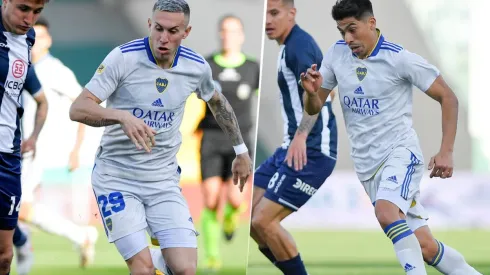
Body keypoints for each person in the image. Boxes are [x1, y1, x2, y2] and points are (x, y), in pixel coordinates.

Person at [69, 0, 252, 274]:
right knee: (141, 269)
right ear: (149, 25)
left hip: (162, 180)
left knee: (185, 269)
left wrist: (241, 151)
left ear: (186, 32)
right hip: (117, 178)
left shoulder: (196, 67)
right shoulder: (124, 58)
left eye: (173, 31)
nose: (163, 38)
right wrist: (121, 116)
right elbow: (78, 108)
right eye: (158, 28)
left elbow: (219, 103)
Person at [301, 0, 482, 274]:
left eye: (352, 29)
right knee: (426, 247)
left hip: (400, 154)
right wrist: (312, 93)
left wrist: (446, 150)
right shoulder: (337, 55)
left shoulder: (398, 58)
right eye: (342, 32)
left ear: (371, 23)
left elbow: (448, 97)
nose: (348, 38)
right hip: (367, 166)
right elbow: (314, 107)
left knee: (386, 213)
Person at [250, 0, 338, 274]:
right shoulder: (287, 47)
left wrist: (301, 136)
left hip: (311, 150)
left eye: (274, 13)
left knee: (264, 222)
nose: (268, 20)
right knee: (253, 221)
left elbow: (323, 93)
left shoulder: (299, 46)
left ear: (292, 14)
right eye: (264, 14)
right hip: (290, 146)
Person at [19, 17, 98, 273]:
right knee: (17, 208)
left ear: (49, 41)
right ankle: (79, 237)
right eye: (33, 36)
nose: (35, 42)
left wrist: (77, 148)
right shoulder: (22, 67)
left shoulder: (56, 71)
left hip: (39, 150)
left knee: (16, 207)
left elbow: (84, 106)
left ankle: (26, 256)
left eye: (41, 37)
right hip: (21, 148)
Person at [197, 14, 260, 270]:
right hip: (212, 137)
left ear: (242, 35)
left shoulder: (252, 67)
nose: (228, 35)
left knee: (235, 200)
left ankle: (231, 219)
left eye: (233, 31)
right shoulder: (208, 65)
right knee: (211, 198)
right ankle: (212, 257)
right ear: (219, 34)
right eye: (224, 30)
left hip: (241, 141)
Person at [0, 1, 49, 274]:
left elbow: (43, 102)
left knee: (4, 257)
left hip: (7, 158)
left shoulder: (26, 40)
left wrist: (33, 137)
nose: (29, 19)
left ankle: (21, 241)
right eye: (23, 8)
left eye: (37, 11)